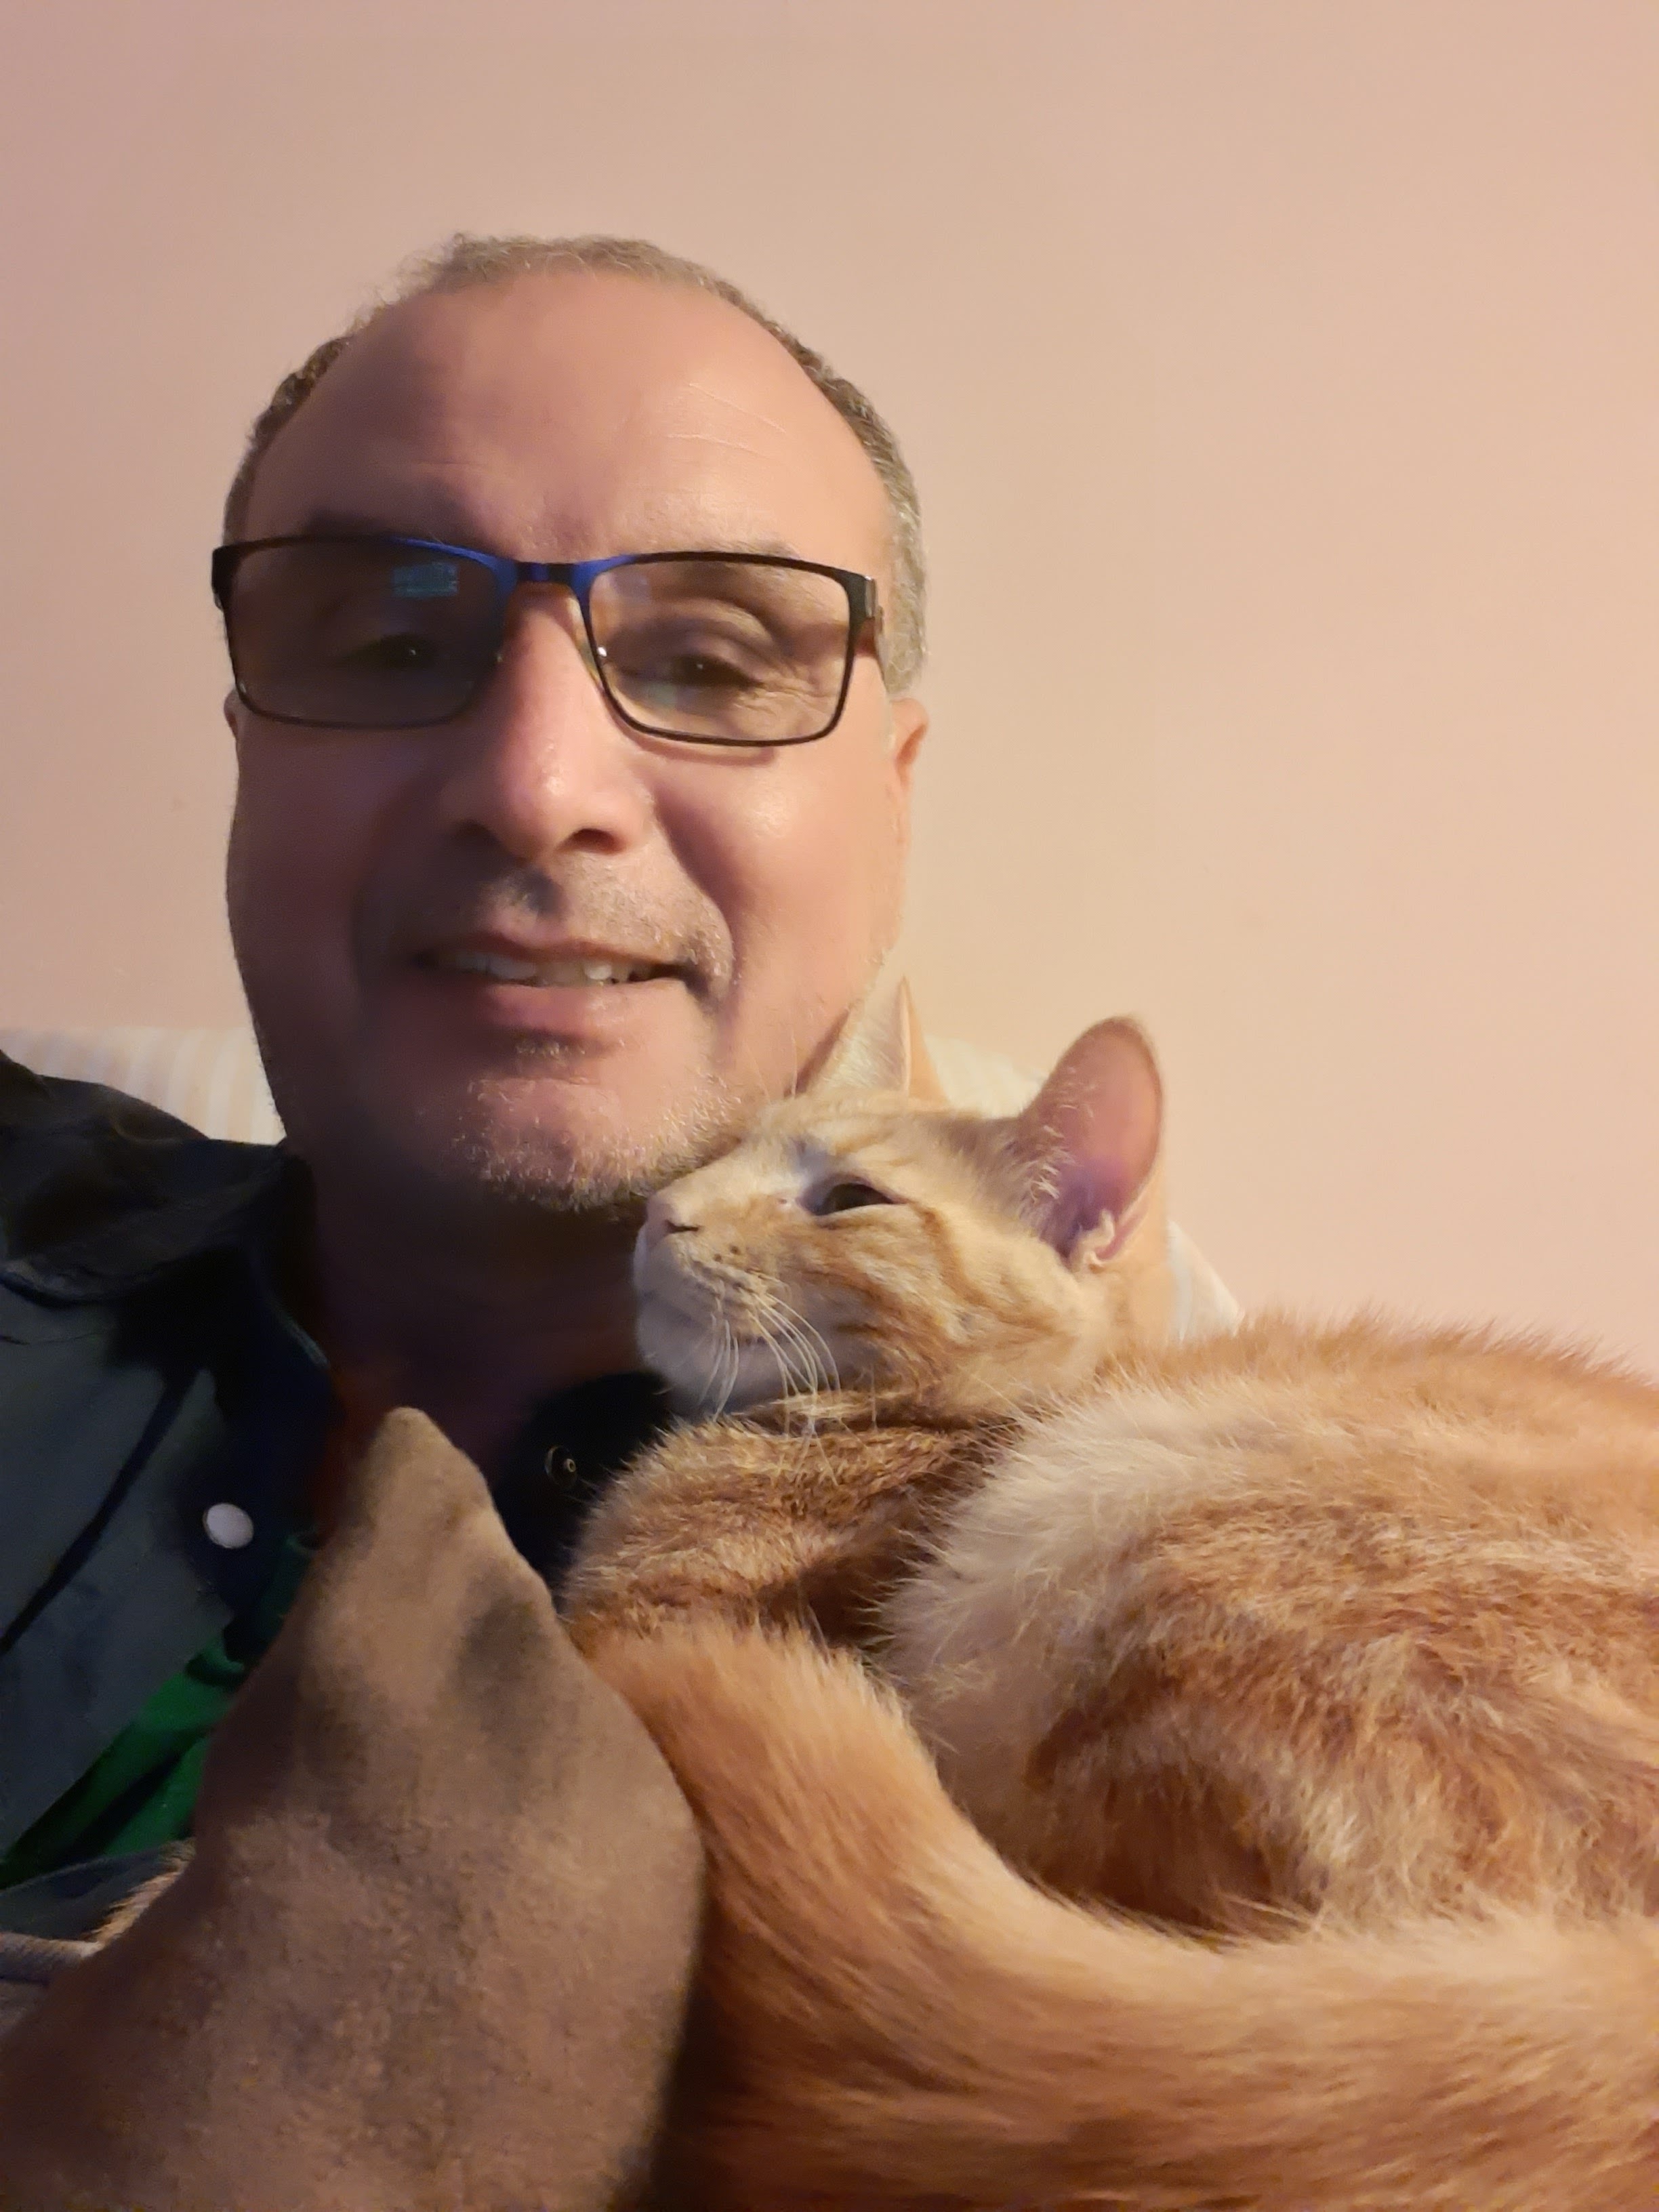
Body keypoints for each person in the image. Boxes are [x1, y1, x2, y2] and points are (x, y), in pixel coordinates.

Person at [0, 234, 1230, 2202]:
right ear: (246, 751)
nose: (535, 783)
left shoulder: (1108, 1602)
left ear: (894, 795)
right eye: (388, 641)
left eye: (715, 660)